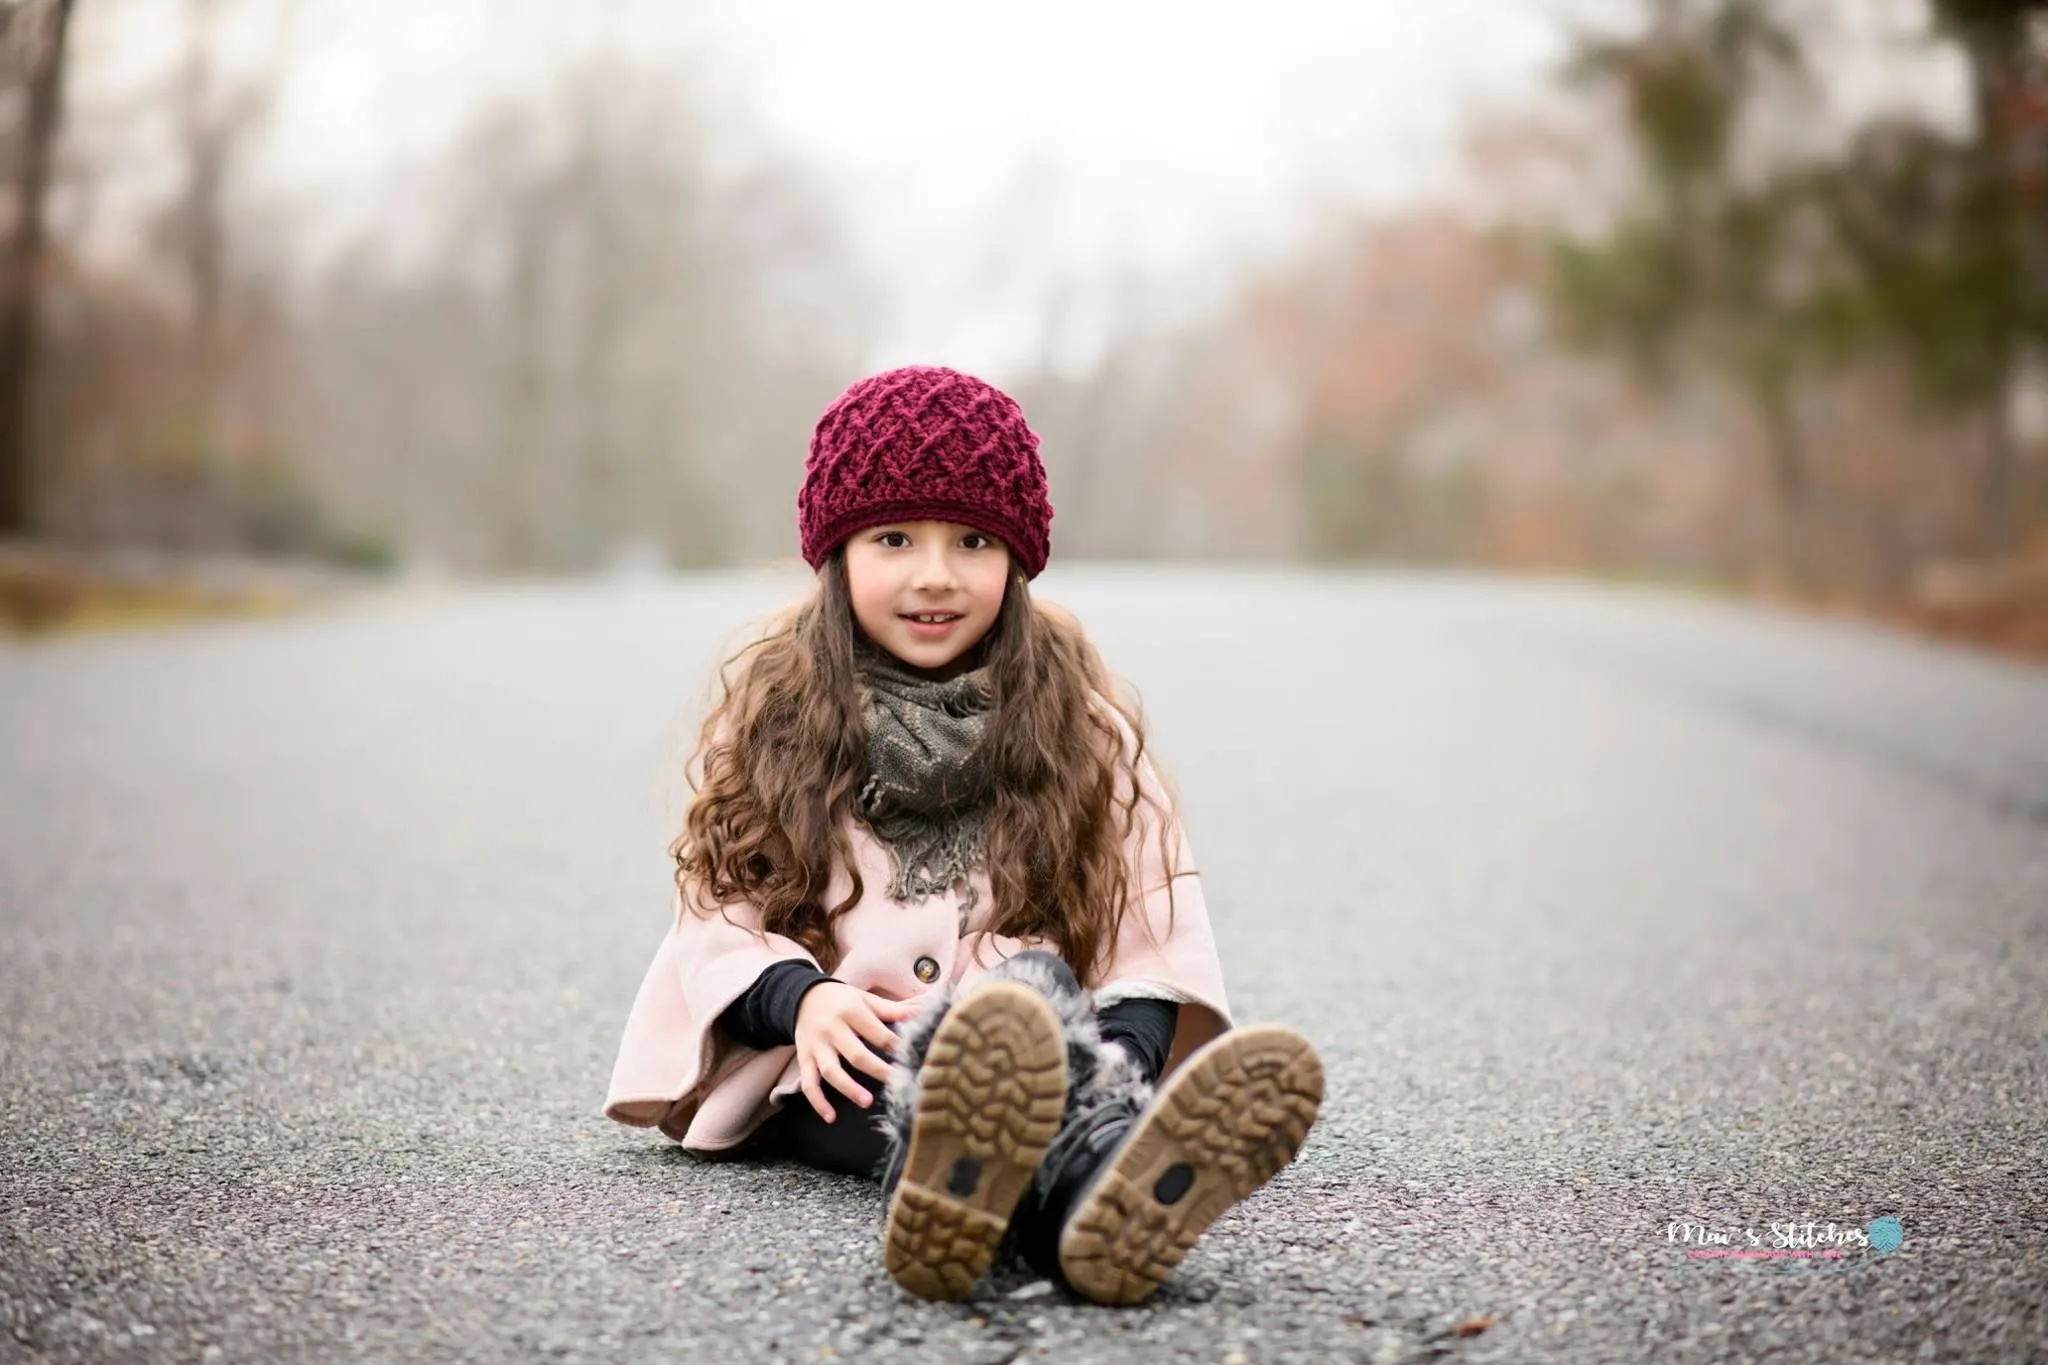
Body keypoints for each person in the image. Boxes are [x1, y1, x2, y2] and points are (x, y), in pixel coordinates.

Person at [602, 365, 1324, 1306]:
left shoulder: (1084, 728)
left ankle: (1085, 1179)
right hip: (846, 1060)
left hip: (1039, 1046)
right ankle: (1081, 1182)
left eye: (973, 541)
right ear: (838, 554)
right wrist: (803, 1004)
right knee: (895, 1079)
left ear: (1015, 561)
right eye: (895, 538)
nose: (934, 575)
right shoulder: (778, 719)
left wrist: (1112, 1068)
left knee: (1029, 1002)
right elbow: (718, 915)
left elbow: (1152, 931)